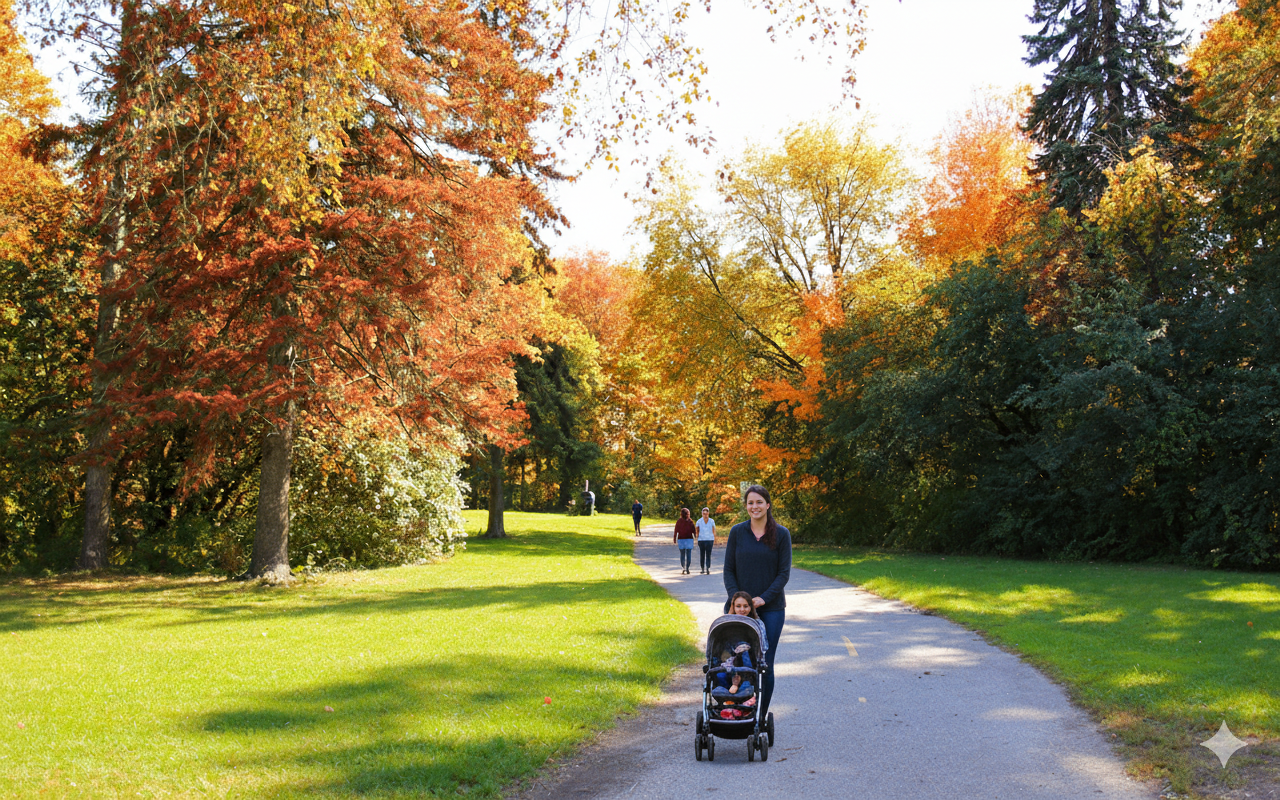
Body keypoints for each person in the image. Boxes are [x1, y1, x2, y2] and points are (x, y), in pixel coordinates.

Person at [722, 484, 790, 721]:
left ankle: (759, 718)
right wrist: (738, 600)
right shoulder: (737, 533)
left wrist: (762, 598)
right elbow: (728, 570)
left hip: (770, 610)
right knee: (734, 661)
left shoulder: (781, 534)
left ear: (768, 504)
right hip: (738, 609)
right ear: (746, 506)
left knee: (765, 665)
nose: (755, 507)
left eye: (759, 502)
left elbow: (783, 574)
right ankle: (735, 708)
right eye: (750, 503)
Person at [673, 507, 696, 574]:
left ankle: (683, 567)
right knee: (688, 554)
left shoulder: (679, 521)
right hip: (689, 539)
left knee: (682, 554)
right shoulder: (690, 521)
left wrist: (674, 538)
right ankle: (687, 568)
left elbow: (676, 530)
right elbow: (693, 530)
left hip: (681, 539)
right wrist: (695, 536)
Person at [695, 507, 716, 574]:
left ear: (708, 514)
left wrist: (715, 538)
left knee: (708, 554)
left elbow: (713, 530)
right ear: (702, 514)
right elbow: (697, 530)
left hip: (710, 539)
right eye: (704, 514)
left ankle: (707, 567)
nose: (705, 515)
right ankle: (702, 568)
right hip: (701, 539)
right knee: (702, 554)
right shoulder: (699, 521)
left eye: (706, 514)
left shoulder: (712, 521)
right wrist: (696, 538)